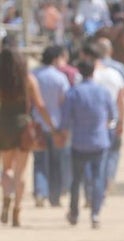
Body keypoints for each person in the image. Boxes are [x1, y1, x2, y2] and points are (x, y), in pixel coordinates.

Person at [0, 46, 57, 227]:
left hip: (3, 125)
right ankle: (17, 209)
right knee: (21, 172)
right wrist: (52, 126)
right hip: (24, 126)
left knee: (6, 168)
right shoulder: (28, 80)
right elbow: (40, 105)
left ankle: (6, 195)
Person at [60, 58, 115, 229]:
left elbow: (65, 120)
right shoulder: (103, 92)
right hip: (99, 141)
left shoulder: (74, 92)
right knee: (98, 179)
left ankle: (74, 213)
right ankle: (95, 214)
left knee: (76, 180)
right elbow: (113, 115)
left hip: (79, 143)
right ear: (93, 72)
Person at [33, 45, 71, 209]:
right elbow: (64, 103)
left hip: (37, 125)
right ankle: (54, 197)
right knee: (56, 162)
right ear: (55, 59)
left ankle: (40, 192)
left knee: (39, 161)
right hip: (56, 125)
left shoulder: (33, 75)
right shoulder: (60, 78)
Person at [86, 40, 124, 190]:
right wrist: (121, 121)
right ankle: (108, 179)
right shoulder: (118, 70)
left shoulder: (90, 71)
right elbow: (123, 96)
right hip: (112, 120)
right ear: (110, 51)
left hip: (92, 121)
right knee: (113, 152)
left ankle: (93, 186)